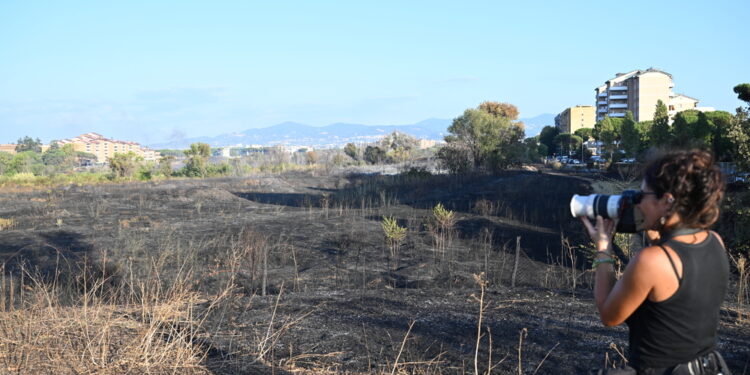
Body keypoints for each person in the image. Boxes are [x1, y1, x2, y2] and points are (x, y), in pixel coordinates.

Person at [582, 149, 731, 375]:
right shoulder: (715, 242)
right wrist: (655, 233)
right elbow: (674, 309)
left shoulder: (652, 261)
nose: (638, 204)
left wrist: (603, 250)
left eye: (642, 196)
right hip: (707, 368)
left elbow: (608, 314)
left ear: (667, 200)